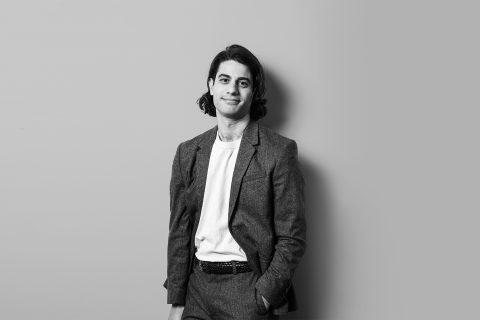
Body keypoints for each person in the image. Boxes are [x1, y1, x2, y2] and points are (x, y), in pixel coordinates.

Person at [165, 44, 306, 320]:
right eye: (224, 80)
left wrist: (264, 296)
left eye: (243, 83)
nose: (232, 90)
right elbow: (179, 232)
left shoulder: (278, 151)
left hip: (246, 289)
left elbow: (292, 237)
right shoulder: (188, 152)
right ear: (211, 86)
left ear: (253, 92)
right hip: (197, 288)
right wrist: (177, 300)